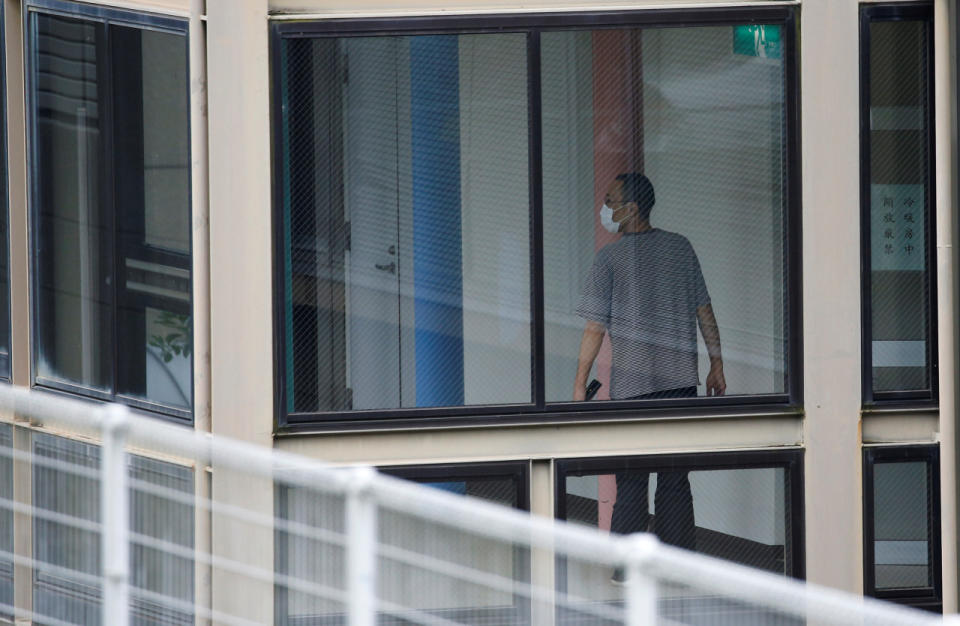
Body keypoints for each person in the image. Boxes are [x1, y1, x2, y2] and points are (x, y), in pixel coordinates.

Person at [572, 173, 725, 566]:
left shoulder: (609, 258)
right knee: (675, 481)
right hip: (680, 385)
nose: (604, 209)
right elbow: (703, 310)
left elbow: (594, 327)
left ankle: (627, 569)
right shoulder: (680, 248)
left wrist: (578, 386)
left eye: (610, 200)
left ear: (631, 209)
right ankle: (677, 567)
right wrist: (716, 364)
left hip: (632, 390)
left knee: (632, 482)